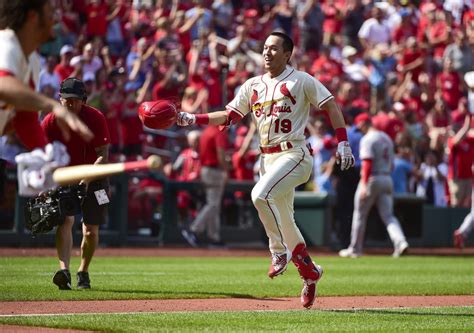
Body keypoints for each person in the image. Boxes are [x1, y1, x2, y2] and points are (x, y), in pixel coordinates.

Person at [177, 32, 355, 309]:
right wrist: (193, 119)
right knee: (286, 221)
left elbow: (330, 104)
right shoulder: (253, 85)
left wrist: (343, 141)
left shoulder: (301, 80)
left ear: (288, 54)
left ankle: (278, 252)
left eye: (274, 48)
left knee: (260, 195)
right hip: (266, 159)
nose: (267, 53)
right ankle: (309, 273)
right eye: (265, 48)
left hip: (294, 153)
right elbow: (230, 115)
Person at [0, 0, 92, 195]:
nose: (56, 18)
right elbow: (3, 84)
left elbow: (25, 120)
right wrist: (54, 106)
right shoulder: (5, 41)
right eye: (51, 11)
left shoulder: (32, 59)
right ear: (33, 17)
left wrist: (48, 159)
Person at [42, 77, 110, 290]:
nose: (70, 104)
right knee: (64, 221)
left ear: (84, 100)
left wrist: (86, 178)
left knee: (90, 229)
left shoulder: (96, 118)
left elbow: (103, 155)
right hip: (65, 176)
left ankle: (83, 270)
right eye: (66, 100)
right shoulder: (50, 121)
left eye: (75, 100)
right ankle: (64, 270)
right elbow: (43, 153)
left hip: (95, 175)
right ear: (59, 99)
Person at [339, 113, 409, 258]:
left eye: (360, 127)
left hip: (372, 178)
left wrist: (364, 184)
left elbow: (367, 163)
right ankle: (401, 242)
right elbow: (392, 164)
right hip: (386, 178)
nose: (360, 130)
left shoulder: (368, 139)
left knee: (360, 214)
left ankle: (355, 249)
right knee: (388, 216)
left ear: (364, 123)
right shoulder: (387, 138)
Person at [181, 122, 228, 248]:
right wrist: (225, 171)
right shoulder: (217, 132)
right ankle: (193, 229)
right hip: (214, 170)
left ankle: (214, 237)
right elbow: (221, 155)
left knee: (214, 204)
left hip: (205, 169)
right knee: (213, 204)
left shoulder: (205, 132)